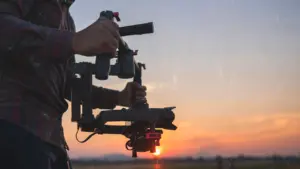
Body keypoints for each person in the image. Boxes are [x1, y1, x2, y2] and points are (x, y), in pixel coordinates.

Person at [0, 0, 147, 169]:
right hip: (13, 130)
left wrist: (118, 97)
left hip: (51, 141)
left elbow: (68, 85)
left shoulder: (68, 21)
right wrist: (73, 41)